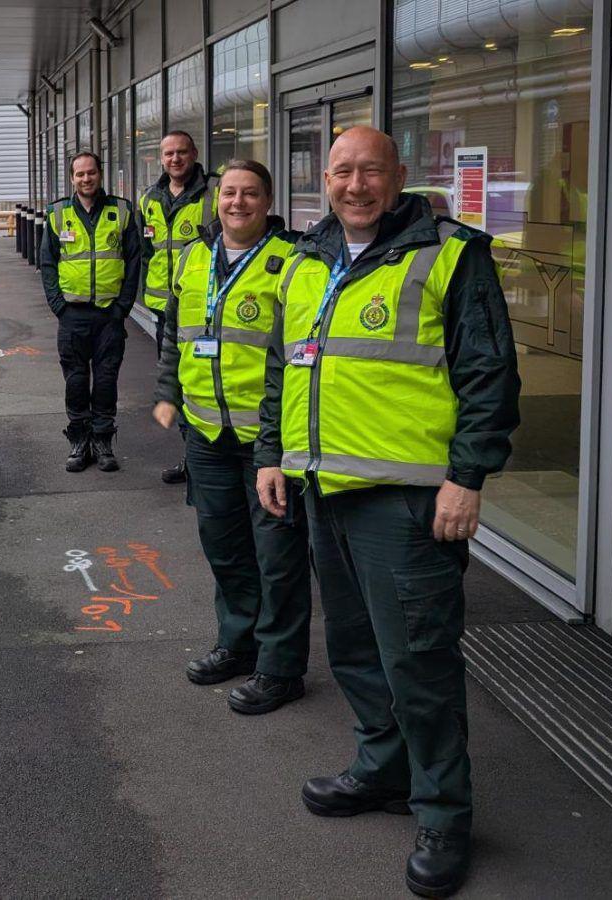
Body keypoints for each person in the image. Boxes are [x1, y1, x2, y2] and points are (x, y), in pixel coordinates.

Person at [254, 126, 520, 898]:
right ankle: (382, 768)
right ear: (324, 180)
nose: (356, 184)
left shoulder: (450, 254)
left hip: (406, 504)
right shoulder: (307, 258)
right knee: (356, 651)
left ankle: (443, 812)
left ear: (401, 174)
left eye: (371, 170)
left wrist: (467, 477)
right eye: (342, 171)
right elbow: (285, 365)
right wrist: (272, 453)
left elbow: (488, 375)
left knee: (420, 663)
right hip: (321, 491)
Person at [154, 159, 311, 715]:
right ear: (214, 200)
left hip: (267, 440)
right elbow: (175, 333)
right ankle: (237, 642)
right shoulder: (195, 257)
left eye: (249, 194)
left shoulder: (292, 262)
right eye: (228, 193)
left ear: (268, 202)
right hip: (206, 435)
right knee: (224, 547)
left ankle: (280, 666)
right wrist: (168, 392)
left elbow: (296, 358)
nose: (237, 203)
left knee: (277, 554)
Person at [38, 151, 143, 472]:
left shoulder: (121, 211)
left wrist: (123, 306)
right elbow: (47, 263)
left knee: (107, 379)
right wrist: (58, 305)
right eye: (80, 174)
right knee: (76, 379)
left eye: (91, 173)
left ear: (100, 174)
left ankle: (103, 440)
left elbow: (135, 259)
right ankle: (79, 440)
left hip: (109, 315)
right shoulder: (57, 214)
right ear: (72, 178)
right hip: (72, 315)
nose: (86, 179)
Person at [140, 131, 217, 486]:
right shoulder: (149, 200)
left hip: (205, 307)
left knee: (204, 382)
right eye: (169, 153)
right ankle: (191, 456)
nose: (175, 159)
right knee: (179, 382)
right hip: (163, 308)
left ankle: (202, 459)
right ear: (161, 158)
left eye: (182, 152)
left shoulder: (213, 194)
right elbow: (144, 252)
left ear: (194, 153)